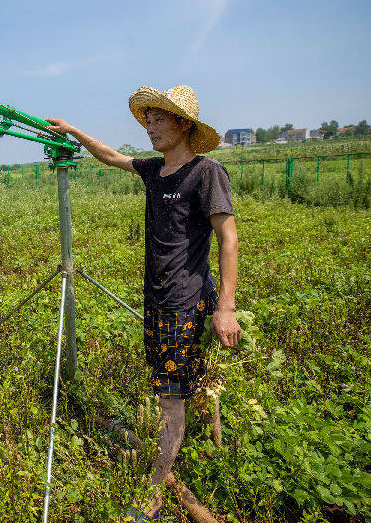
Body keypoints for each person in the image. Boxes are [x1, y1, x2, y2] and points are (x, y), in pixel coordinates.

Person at [45, 85, 241, 521]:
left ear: (184, 124)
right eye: (147, 120)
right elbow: (113, 157)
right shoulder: (154, 171)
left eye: (159, 120)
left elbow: (228, 238)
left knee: (171, 400)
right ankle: (200, 440)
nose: (150, 128)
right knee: (173, 385)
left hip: (186, 303)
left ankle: (154, 493)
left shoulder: (206, 173)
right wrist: (75, 131)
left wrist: (225, 308)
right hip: (157, 300)